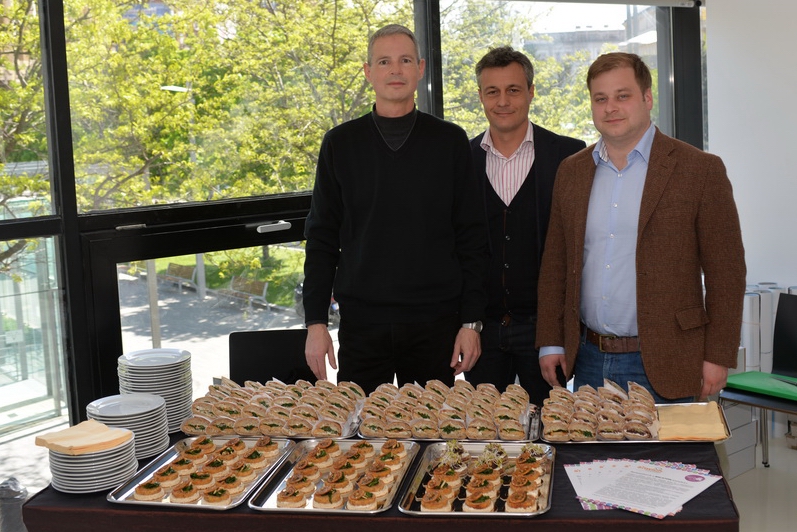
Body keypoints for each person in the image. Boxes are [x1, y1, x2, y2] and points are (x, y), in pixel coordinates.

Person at [536, 52, 746, 403]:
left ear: (647, 98)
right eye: (600, 98)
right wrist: (551, 341)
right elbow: (555, 264)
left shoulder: (700, 170)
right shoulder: (572, 171)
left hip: (670, 360)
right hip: (588, 359)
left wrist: (718, 356)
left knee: (669, 445)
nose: (610, 108)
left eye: (623, 96)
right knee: (592, 445)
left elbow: (727, 272)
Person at [302, 24, 489, 395]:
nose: (395, 70)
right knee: (358, 425)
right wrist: (315, 322)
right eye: (384, 61)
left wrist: (472, 323)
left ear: (420, 69)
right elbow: (321, 237)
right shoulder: (340, 143)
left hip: (435, 323)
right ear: (368, 72)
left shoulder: (450, 141)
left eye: (405, 60)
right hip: (362, 324)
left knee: (432, 426)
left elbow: (471, 236)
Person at [464, 46, 585, 407]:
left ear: (531, 92)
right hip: (482, 332)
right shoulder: (462, 160)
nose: (503, 101)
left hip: (545, 332)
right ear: (481, 96)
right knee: (484, 432)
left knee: (552, 428)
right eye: (493, 91)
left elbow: (577, 248)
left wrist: (559, 332)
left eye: (513, 90)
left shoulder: (568, 156)